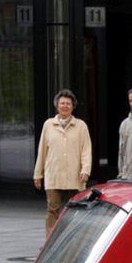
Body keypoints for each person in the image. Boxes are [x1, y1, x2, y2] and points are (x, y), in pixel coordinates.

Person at [33, 89, 92, 237]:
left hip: (74, 175)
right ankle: (50, 241)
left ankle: (73, 240)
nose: (65, 106)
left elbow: (86, 150)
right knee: (52, 209)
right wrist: (37, 174)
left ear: (73, 106)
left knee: (75, 209)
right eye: (62, 103)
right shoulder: (48, 125)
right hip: (53, 174)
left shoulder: (81, 126)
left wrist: (85, 170)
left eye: (68, 103)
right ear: (57, 106)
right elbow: (42, 152)